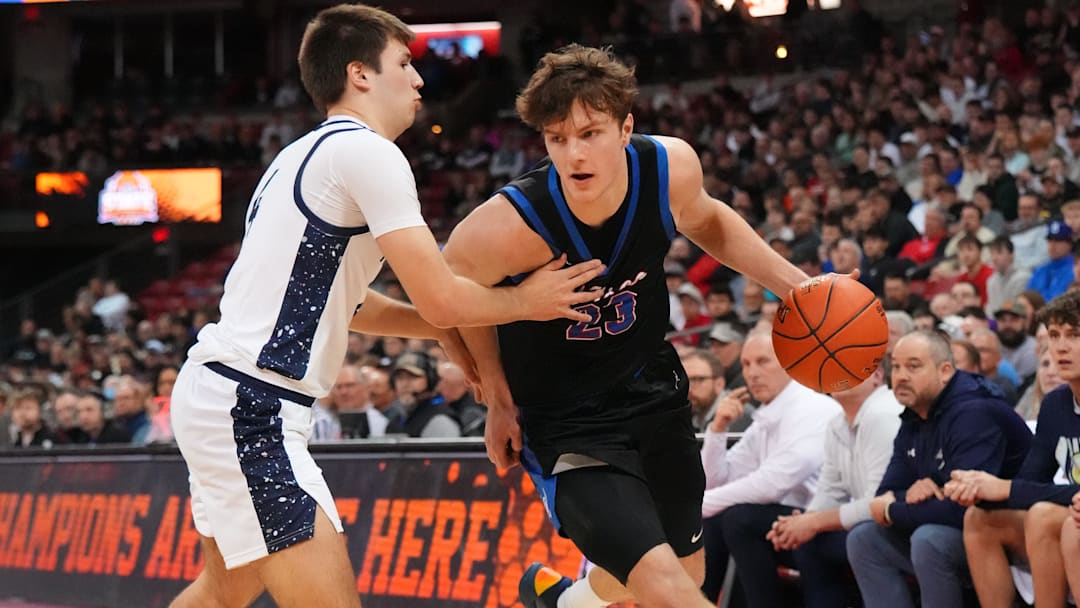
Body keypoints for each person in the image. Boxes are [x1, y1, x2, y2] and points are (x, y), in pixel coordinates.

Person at [167, 7, 605, 608]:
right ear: (360, 74)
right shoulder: (367, 153)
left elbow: (349, 306)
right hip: (253, 407)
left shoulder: (298, 156)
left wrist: (450, 326)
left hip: (221, 394)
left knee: (224, 590)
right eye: (404, 63)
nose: (420, 80)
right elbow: (442, 294)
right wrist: (526, 301)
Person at [439, 45, 811, 608]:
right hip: (565, 420)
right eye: (557, 138)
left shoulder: (670, 168)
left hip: (650, 388)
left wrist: (795, 287)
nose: (573, 153)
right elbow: (445, 301)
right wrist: (495, 395)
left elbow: (709, 220)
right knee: (662, 586)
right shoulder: (509, 226)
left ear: (625, 127)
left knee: (684, 573)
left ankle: (564, 601)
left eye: (589, 133)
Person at [845, 330, 1032, 608]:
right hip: (961, 528)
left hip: (1010, 534)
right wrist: (909, 491)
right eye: (895, 367)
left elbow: (962, 509)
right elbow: (886, 490)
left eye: (913, 366)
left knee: (929, 539)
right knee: (864, 538)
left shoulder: (974, 411)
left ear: (945, 371)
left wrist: (891, 509)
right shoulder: (915, 413)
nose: (901, 376)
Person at [945, 291, 1080, 608]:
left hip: (1065, 520)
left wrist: (1004, 488)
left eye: (1074, 335)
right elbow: (1034, 481)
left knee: (1046, 516)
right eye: (1055, 335)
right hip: (1066, 515)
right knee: (979, 519)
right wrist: (981, 487)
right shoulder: (1056, 405)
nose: (1060, 346)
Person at [698, 331, 841, 607]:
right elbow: (715, 481)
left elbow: (771, 483)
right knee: (717, 520)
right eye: (747, 364)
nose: (752, 373)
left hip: (822, 521)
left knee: (738, 518)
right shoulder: (769, 413)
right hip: (782, 520)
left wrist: (697, 505)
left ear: (790, 363)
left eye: (763, 362)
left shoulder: (813, 408)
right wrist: (717, 430)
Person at [766, 367, 902, 608]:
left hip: (898, 524)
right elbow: (830, 490)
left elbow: (879, 503)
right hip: (870, 525)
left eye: (849, 365)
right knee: (803, 537)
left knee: (825, 540)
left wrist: (812, 523)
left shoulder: (883, 415)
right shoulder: (836, 423)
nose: (838, 373)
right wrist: (801, 524)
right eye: (833, 367)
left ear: (878, 376)